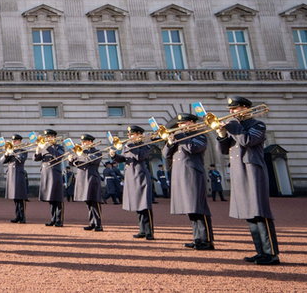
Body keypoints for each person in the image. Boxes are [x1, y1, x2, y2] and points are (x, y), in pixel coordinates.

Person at [217, 96, 280, 265]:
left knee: (260, 212)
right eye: (230, 109)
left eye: (234, 109)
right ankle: (260, 252)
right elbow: (223, 150)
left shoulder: (257, 125)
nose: (231, 112)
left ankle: (272, 253)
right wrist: (222, 134)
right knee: (249, 213)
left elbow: (247, 141)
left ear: (245, 108)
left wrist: (233, 127)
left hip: (253, 170)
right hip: (239, 171)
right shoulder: (235, 127)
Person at [163, 113, 214, 250]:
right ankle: (197, 238)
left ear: (191, 123)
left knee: (199, 207)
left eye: (183, 123)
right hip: (180, 175)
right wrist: (169, 142)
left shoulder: (200, 135)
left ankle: (207, 240)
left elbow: (193, 148)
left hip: (193, 174)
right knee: (190, 208)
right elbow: (165, 155)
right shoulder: (179, 137)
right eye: (179, 124)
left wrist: (180, 137)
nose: (179, 126)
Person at [111, 125, 155, 240]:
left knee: (145, 205)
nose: (129, 136)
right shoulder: (128, 146)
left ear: (139, 134)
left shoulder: (145, 144)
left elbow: (140, 156)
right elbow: (125, 158)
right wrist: (115, 156)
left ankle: (149, 231)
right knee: (137, 204)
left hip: (141, 176)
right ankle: (142, 230)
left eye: (132, 134)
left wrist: (130, 145)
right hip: (131, 176)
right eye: (129, 135)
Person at [70, 134, 104, 231]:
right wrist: (71, 159)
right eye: (82, 142)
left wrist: (82, 154)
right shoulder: (80, 152)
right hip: (82, 179)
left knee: (94, 202)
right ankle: (92, 223)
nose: (83, 144)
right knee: (88, 202)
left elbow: (92, 161)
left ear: (90, 142)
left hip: (91, 178)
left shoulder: (97, 152)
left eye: (85, 142)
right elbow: (75, 163)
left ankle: (98, 224)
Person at [34, 129, 65, 227]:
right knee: (50, 198)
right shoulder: (43, 147)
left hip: (55, 174)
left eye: (50, 136)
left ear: (55, 137)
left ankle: (59, 220)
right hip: (46, 174)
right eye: (47, 137)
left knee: (57, 198)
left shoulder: (59, 147)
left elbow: (59, 156)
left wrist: (47, 147)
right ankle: (53, 219)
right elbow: (35, 159)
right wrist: (37, 151)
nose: (48, 138)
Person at [1, 134, 28, 223]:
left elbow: (21, 160)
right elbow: (2, 161)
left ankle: (22, 217)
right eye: (13, 141)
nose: (13, 142)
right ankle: (17, 216)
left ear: (20, 141)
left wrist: (13, 152)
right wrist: (6, 154)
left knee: (20, 197)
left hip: (19, 175)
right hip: (11, 175)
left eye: (15, 141)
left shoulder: (23, 151)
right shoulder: (10, 151)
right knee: (15, 198)